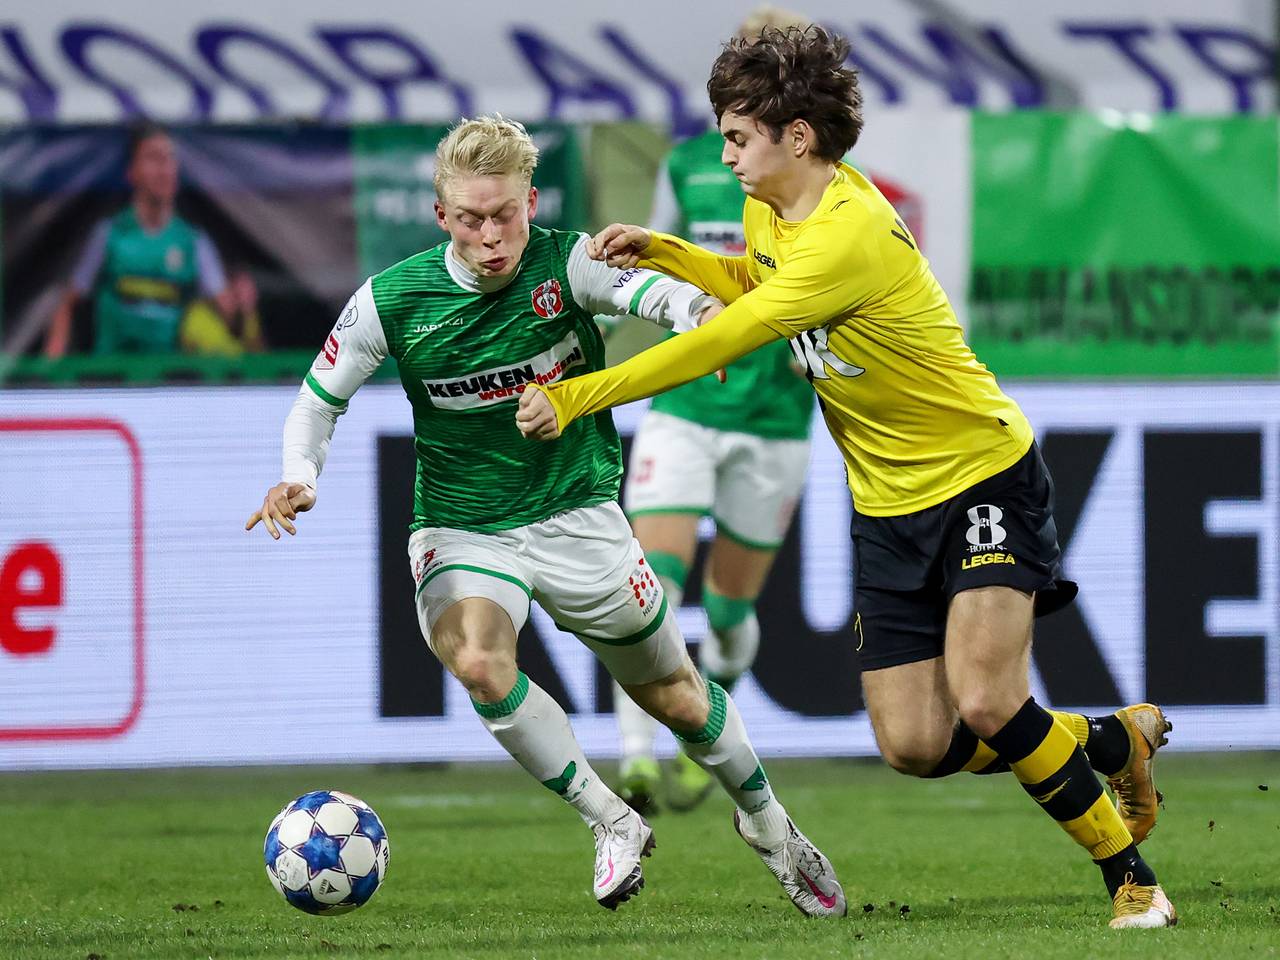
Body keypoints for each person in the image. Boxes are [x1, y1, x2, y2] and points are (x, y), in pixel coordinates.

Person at [515, 28, 1175, 929]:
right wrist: (668, 252)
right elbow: (755, 282)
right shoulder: (774, 212)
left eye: (738, 134)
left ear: (796, 135)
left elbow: (727, 335)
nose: (724, 152)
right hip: (887, 503)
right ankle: (1110, 739)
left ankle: (1131, 879)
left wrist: (580, 393)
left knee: (986, 698)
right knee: (915, 744)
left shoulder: (850, 232)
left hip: (981, 475)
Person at [245, 115, 845, 917]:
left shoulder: (568, 261)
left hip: (579, 516)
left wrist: (704, 320)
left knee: (679, 698)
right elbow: (317, 403)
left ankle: (770, 825)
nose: (491, 237)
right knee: (481, 660)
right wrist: (298, 477)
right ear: (440, 217)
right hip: (464, 527)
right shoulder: (391, 301)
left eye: (506, 216)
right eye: (470, 219)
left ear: (531, 200)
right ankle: (612, 822)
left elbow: (652, 291)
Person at [610, 7, 816, 818]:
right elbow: (648, 266)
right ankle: (634, 759)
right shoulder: (694, 164)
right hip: (689, 403)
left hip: (774, 418)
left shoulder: (820, 172)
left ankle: (708, 729)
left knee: (729, 613)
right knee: (647, 589)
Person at [43, 123, 250, 357]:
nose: (164, 169)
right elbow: (66, 302)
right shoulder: (110, 234)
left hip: (170, 379)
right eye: (153, 158)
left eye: (169, 159)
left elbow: (228, 313)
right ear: (132, 172)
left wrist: (242, 305)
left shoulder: (193, 241)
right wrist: (51, 371)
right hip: (112, 376)